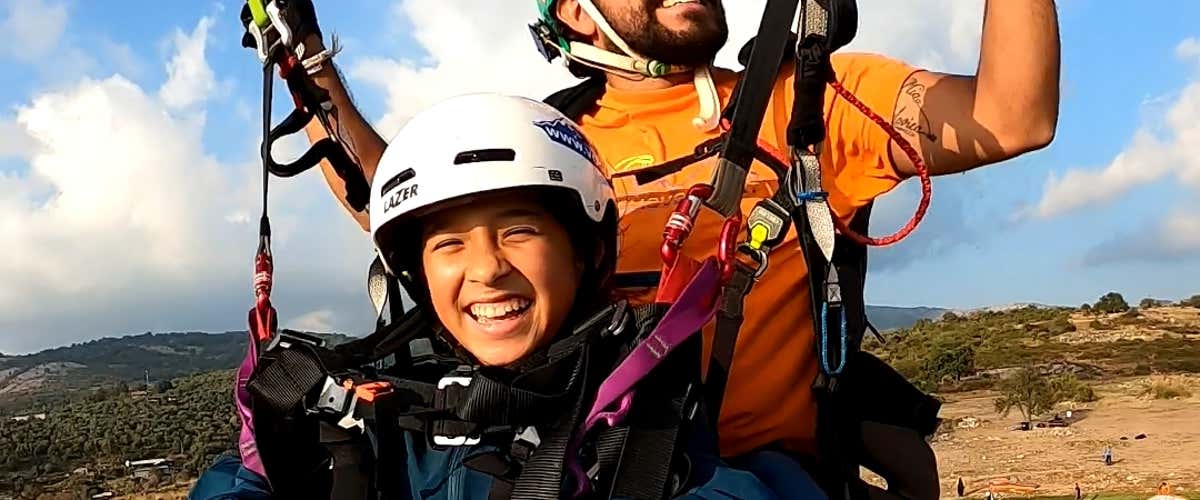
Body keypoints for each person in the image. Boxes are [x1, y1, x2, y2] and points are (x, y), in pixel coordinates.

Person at [238, 1, 1060, 498]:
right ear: (571, 11)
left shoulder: (812, 103)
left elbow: (1012, 115)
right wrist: (302, 57)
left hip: (758, 480)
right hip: (578, 472)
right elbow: (407, 203)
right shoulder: (541, 143)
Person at [190, 93, 826, 499]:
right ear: (415, 274)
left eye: (519, 232)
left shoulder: (641, 412)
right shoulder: (365, 407)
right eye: (449, 246)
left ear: (584, 251)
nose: (487, 269)